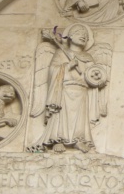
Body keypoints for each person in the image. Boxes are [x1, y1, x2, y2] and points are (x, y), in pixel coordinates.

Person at [31, 24, 109, 153]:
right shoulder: (61, 53)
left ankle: (79, 140)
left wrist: (95, 78)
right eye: (79, 32)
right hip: (65, 89)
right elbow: (52, 71)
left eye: (85, 34)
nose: (83, 35)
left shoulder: (88, 57)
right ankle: (58, 140)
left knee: (80, 117)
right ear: (70, 36)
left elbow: (93, 75)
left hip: (82, 90)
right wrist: (67, 66)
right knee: (61, 115)